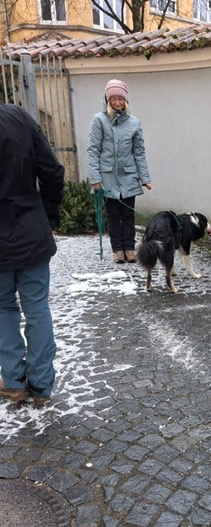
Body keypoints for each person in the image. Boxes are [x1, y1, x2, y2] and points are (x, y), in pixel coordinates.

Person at [0, 104, 65, 407]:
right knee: (37, 307)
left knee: (3, 310)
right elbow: (52, 171)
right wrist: (50, 215)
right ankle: (40, 384)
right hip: (31, 230)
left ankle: (14, 381)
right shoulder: (19, 118)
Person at [87, 79, 153, 264]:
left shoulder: (134, 123)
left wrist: (145, 179)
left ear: (125, 100)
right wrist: (95, 178)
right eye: (113, 99)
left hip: (129, 175)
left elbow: (139, 152)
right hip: (107, 177)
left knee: (128, 214)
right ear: (108, 100)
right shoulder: (99, 120)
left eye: (120, 99)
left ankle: (130, 249)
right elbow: (93, 150)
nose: (117, 102)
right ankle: (117, 250)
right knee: (113, 215)